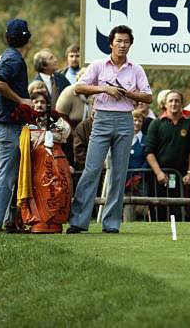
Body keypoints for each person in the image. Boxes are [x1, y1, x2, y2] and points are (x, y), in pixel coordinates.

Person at [66, 25, 152, 234]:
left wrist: (128, 94)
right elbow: (78, 88)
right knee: (92, 169)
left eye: (126, 42)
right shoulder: (98, 65)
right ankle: (78, 221)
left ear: (130, 45)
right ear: (111, 43)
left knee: (119, 173)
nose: (122, 45)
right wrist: (104, 88)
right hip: (102, 119)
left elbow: (148, 96)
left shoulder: (136, 69)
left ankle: (111, 223)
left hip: (125, 120)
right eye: (119, 41)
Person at [0, 19, 33, 232]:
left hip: (5, 121)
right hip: (8, 124)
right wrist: (22, 100)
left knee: (11, 175)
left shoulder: (5, 55)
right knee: (6, 175)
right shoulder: (14, 59)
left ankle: (7, 221)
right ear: (27, 38)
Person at [145, 90, 190, 222]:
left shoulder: (189, 123)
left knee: (178, 211)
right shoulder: (156, 123)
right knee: (159, 212)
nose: (174, 103)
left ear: (181, 104)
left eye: (177, 101)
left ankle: (179, 239)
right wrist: (159, 173)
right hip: (159, 176)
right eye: (171, 101)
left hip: (180, 177)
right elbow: (149, 152)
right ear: (165, 104)